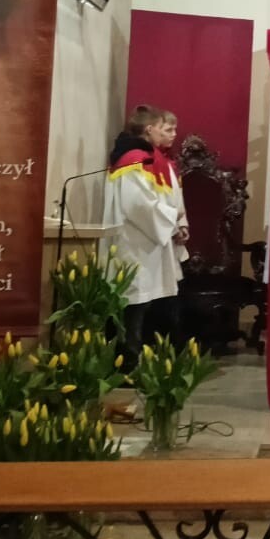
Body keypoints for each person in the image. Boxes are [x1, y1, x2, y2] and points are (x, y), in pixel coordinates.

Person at [102, 107, 189, 368]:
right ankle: (125, 364)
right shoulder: (133, 160)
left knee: (151, 302)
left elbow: (170, 198)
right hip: (135, 243)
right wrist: (172, 222)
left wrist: (179, 223)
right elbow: (137, 204)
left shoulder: (156, 159)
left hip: (152, 240)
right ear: (150, 129)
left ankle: (149, 359)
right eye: (166, 128)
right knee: (134, 303)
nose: (172, 134)